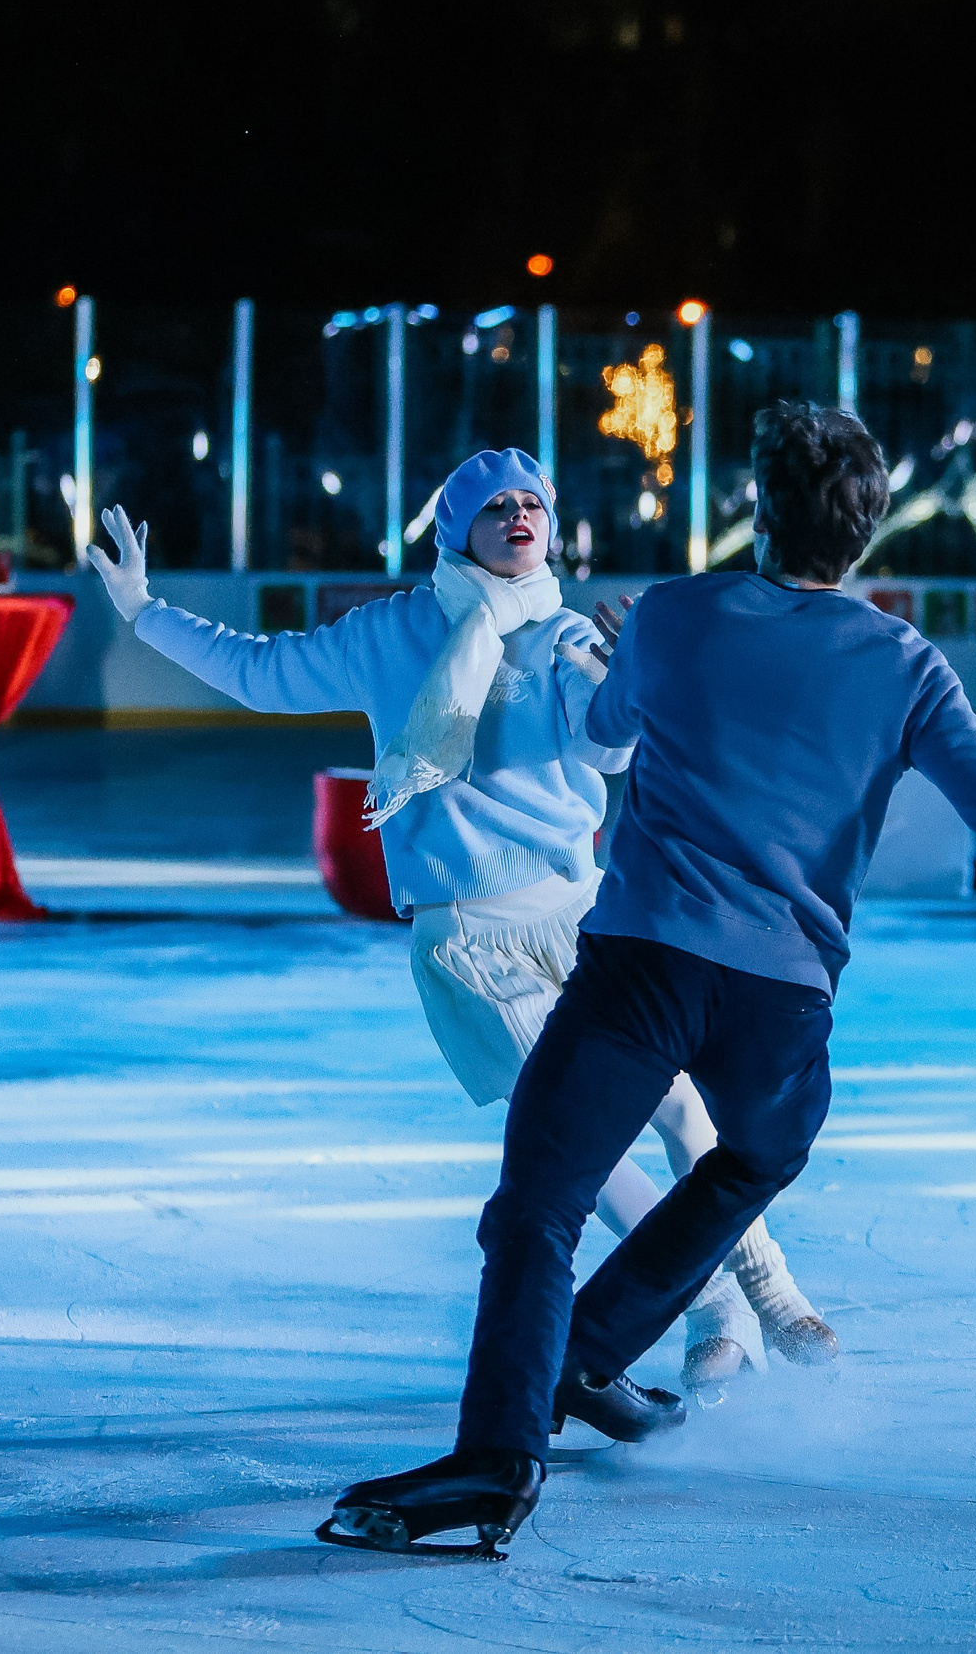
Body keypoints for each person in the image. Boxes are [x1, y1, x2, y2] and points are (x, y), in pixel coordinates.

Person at [321, 402, 976, 1560]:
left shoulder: (675, 613)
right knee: (755, 1153)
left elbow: (603, 727)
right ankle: (587, 1355)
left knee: (538, 1205)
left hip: (640, 969)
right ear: (866, 529)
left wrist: (634, 654)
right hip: (780, 1007)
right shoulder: (906, 664)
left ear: (761, 509)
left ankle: (502, 1454)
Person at [80, 449, 836, 1398]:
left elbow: (604, 749)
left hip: (583, 920)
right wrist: (145, 613)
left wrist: (635, 679)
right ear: (456, 529)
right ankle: (711, 1304)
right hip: (469, 942)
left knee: (683, 1108)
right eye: (496, 506)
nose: (520, 516)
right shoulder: (390, 632)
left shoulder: (565, 635)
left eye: (533, 504)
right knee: (583, 1142)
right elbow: (261, 673)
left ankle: (772, 1292)